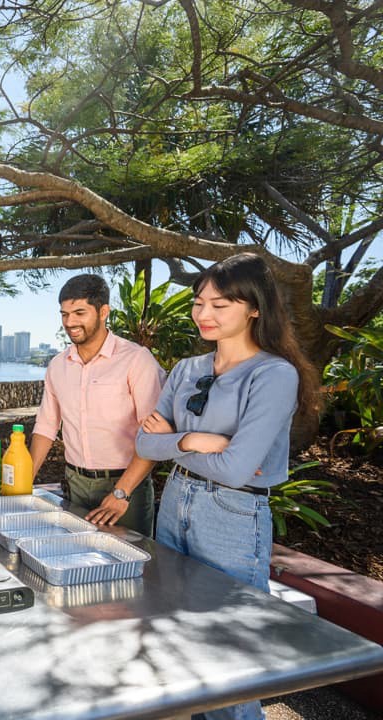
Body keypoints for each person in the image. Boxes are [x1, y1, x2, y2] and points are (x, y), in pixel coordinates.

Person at [136, 253, 319, 720]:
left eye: (220, 305)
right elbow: (142, 442)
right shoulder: (185, 369)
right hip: (175, 499)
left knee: (228, 652)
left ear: (254, 307)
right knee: (179, 637)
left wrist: (171, 441)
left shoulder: (273, 374)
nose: (204, 314)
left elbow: (238, 470)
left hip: (232, 516)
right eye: (199, 303)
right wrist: (197, 440)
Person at [29, 274, 164, 536]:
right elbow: (46, 427)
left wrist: (121, 492)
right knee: (75, 563)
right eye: (64, 314)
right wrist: (23, 483)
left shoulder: (137, 360)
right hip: (74, 485)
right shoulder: (58, 365)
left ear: (103, 312)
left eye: (79, 312)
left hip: (127, 487)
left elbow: (153, 435)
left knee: (130, 567)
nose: (70, 322)